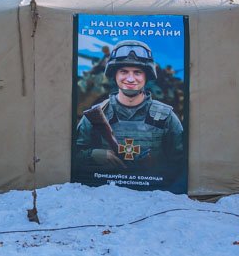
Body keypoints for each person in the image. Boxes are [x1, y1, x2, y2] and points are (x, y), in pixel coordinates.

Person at [74, 40, 186, 190]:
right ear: (115, 75)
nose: (131, 79)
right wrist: (94, 155)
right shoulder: (95, 115)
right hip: (105, 197)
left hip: (154, 196)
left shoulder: (166, 117)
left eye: (137, 72)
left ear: (147, 76)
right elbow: (74, 158)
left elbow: (181, 165)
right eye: (124, 71)